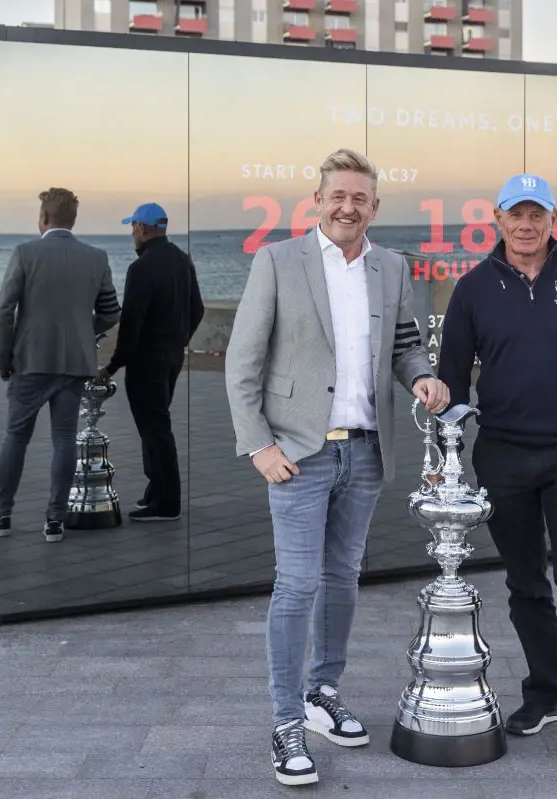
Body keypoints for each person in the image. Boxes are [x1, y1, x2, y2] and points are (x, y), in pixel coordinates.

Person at [225, 148, 450, 787]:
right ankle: (285, 720)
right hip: (298, 454)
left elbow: (405, 346)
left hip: (366, 451)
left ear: (374, 207)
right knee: (297, 585)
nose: (348, 207)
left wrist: (422, 377)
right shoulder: (277, 261)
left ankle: (323, 693)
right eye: (338, 196)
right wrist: (258, 445)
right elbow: (242, 361)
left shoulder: (391, 267)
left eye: (360, 198)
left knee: (343, 578)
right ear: (318, 201)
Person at [436, 173, 557, 760]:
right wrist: (446, 451)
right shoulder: (473, 288)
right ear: (497, 219)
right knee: (525, 585)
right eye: (516, 214)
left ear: (554, 220)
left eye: (536, 215)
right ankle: (545, 695)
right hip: (503, 456)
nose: (526, 225)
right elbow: (452, 378)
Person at [0, 187, 121, 543]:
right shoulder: (96, 257)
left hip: (30, 362)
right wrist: (83, 332)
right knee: (64, 439)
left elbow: (4, 310)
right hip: (74, 363)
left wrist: (3, 356)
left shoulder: (24, 253)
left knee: (16, 437)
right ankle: (55, 521)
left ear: (43, 218)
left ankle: (1, 516)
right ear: (72, 220)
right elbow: (111, 312)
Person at [96, 203, 204, 522]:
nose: (132, 233)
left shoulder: (141, 268)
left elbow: (132, 323)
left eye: (133, 227)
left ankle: (168, 503)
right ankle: (155, 491)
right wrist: (179, 340)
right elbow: (197, 308)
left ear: (142, 228)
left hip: (146, 362)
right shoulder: (182, 260)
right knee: (155, 424)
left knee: (155, 429)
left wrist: (112, 366)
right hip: (171, 358)